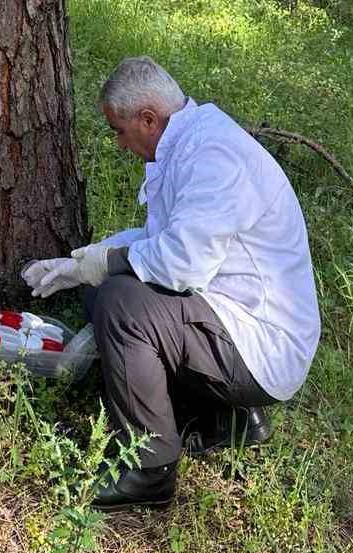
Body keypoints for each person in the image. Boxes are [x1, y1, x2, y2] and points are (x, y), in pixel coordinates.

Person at [23, 57, 321, 511]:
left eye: (119, 131)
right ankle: (226, 417)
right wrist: (80, 262)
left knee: (122, 302)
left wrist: (105, 265)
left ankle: (148, 468)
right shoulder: (189, 144)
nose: (121, 144)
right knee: (106, 285)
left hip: (263, 344)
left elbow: (182, 263)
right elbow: (158, 239)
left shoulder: (213, 158)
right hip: (234, 319)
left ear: (148, 119)